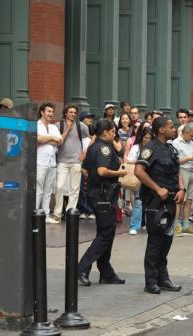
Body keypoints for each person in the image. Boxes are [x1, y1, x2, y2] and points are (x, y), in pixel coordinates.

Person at [134, 117, 185, 294]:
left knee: (167, 240)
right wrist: (157, 188)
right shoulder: (150, 148)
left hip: (171, 201)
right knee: (155, 242)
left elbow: (176, 170)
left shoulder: (170, 148)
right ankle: (151, 281)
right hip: (156, 202)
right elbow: (138, 171)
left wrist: (181, 188)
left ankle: (163, 278)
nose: (175, 129)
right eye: (171, 127)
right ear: (161, 130)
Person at [77, 119, 127, 286]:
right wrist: (119, 174)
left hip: (99, 193)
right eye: (113, 131)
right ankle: (82, 268)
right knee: (106, 234)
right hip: (103, 196)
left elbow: (85, 168)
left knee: (107, 232)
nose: (115, 134)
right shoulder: (104, 148)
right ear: (105, 132)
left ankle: (106, 272)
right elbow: (102, 170)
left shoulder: (93, 146)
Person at [47, 103, 90, 224]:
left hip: (76, 161)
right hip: (62, 161)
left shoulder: (81, 126)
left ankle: (71, 212)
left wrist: (85, 152)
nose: (73, 114)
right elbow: (59, 142)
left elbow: (93, 138)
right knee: (59, 187)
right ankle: (57, 214)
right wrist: (67, 128)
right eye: (71, 112)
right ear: (65, 113)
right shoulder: (58, 125)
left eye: (75, 112)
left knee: (74, 189)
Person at [172, 123, 193, 236]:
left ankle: (186, 225)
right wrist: (190, 158)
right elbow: (175, 160)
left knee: (189, 200)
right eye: (191, 135)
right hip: (182, 171)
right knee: (180, 200)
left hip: (191, 171)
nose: (192, 138)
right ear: (184, 133)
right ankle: (176, 225)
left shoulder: (192, 143)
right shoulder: (176, 143)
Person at [36, 103, 62, 213]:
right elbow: (38, 139)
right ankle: (36, 212)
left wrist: (47, 140)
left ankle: (45, 214)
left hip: (52, 162)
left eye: (52, 111)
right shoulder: (36, 125)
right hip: (40, 161)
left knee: (48, 190)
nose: (51, 114)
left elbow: (60, 141)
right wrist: (52, 138)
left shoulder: (53, 127)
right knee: (38, 189)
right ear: (42, 112)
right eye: (48, 111)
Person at [127, 124, 152, 235]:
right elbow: (129, 161)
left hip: (151, 178)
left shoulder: (153, 148)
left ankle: (146, 224)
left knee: (150, 202)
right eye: (146, 137)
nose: (147, 140)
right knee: (138, 202)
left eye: (150, 138)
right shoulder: (136, 148)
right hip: (138, 177)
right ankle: (134, 226)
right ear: (142, 137)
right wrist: (139, 161)